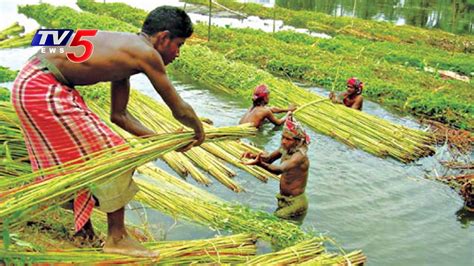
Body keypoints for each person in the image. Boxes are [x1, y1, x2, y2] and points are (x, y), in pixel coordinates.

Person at [11, 6, 204, 258]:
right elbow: (179, 109)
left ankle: (84, 230)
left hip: (33, 80)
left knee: (83, 161)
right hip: (42, 86)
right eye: (179, 45)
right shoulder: (146, 53)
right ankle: (117, 237)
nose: (177, 53)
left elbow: (119, 116)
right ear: (163, 37)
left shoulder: (125, 49)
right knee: (118, 156)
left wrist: (162, 140)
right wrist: (199, 131)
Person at [242, 114, 310, 220]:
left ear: (297, 141)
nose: (283, 141)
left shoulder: (299, 156)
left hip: (295, 203)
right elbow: (269, 158)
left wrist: (259, 163)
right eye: (283, 137)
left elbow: (279, 170)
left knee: (275, 221)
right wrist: (253, 155)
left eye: (288, 139)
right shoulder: (285, 148)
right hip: (283, 199)